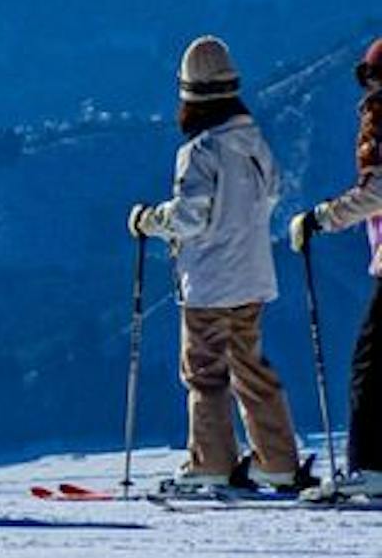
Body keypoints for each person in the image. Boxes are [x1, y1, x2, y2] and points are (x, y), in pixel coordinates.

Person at [130, 36, 309, 496]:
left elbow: (190, 216)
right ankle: (278, 460)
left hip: (210, 281)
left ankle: (210, 460)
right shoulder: (253, 142)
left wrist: (151, 221)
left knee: (206, 372)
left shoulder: (200, 151)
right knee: (251, 367)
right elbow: (271, 194)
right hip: (253, 276)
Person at [285, 36, 382, 504]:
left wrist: (322, 217)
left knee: (371, 364)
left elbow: (377, 191)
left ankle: (370, 465)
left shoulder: (379, 120)